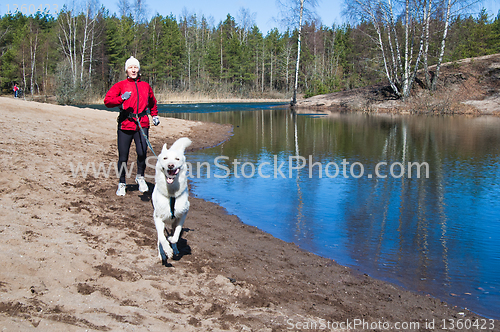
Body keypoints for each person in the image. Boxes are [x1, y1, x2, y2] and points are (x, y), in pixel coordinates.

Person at [104, 56, 160, 196]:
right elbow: (107, 101)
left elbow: (152, 102)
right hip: (125, 124)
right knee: (123, 157)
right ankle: (122, 183)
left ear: (138, 69)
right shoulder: (120, 85)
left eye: (135, 67)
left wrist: (154, 115)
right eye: (130, 68)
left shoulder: (145, 86)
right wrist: (121, 98)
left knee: (142, 153)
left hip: (142, 123)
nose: (133, 70)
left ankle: (140, 177)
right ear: (127, 70)